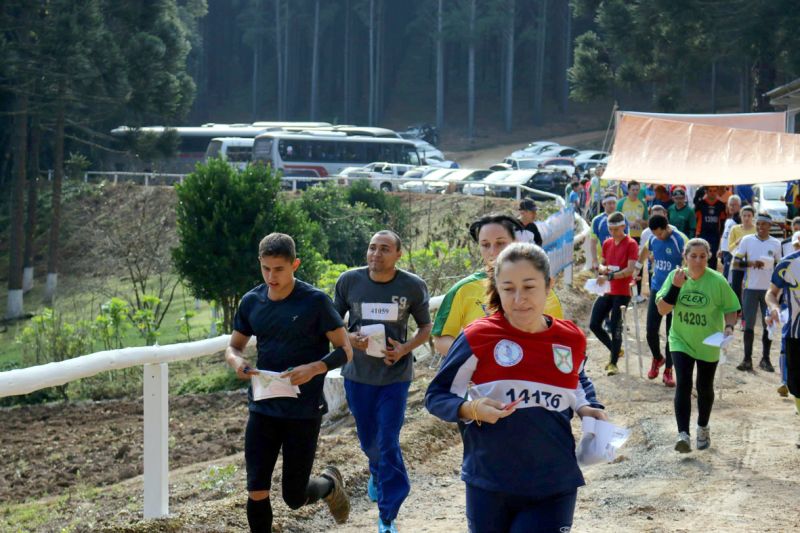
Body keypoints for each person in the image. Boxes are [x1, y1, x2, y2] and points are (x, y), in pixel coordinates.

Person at [425, 243, 608, 533]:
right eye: (508, 288)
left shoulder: (570, 338)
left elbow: (577, 379)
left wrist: (588, 407)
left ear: (548, 285)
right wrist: (471, 408)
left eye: (529, 286)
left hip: (554, 481)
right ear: (496, 288)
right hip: (489, 481)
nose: (519, 299)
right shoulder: (478, 336)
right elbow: (437, 395)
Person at [225, 233, 353, 533]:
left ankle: (330, 483)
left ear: (294, 264)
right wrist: (238, 363)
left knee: (294, 497)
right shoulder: (251, 301)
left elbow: (345, 350)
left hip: (303, 410)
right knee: (256, 488)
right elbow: (234, 347)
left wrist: (314, 368)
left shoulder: (316, 302)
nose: (271, 276)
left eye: (279, 269)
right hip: (263, 406)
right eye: (266, 268)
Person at [333, 231, 432, 533]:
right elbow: (333, 324)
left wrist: (404, 348)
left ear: (398, 254)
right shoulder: (349, 281)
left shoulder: (412, 286)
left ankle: (388, 514)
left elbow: (425, 327)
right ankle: (375, 470)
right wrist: (350, 339)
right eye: (372, 248)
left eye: (385, 249)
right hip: (357, 375)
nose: (376, 254)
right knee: (369, 440)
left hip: (395, 376)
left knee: (388, 441)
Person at [432, 214, 563, 357]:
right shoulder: (463, 290)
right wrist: (477, 362)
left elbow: (558, 337)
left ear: (515, 241)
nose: (493, 251)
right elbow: (441, 337)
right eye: (485, 245)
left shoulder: (540, 289)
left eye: (500, 243)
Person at [656, 238, 740, 452]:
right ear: (685, 257)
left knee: (704, 386)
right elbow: (662, 310)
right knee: (683, 383)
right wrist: (675, 287)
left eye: (702, 256)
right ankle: (682, 434)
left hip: (708, 341)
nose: (698, 260)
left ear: (708, 258)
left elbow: (731, 307)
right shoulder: (675, 277)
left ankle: (703, 426)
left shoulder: (717, 280)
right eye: (693, 256)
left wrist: (729, 327)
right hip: (680, 339)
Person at [638, 214, 687, 387]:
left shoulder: (679, 240)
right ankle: (658, 358)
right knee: (651, 330)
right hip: (657, 289)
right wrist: (637, 268)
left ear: (666, 227)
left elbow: (689, 261)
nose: (658, 237)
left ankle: (668, 370)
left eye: (660, 234)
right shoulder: (653, 239)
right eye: (655, 234)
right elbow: (644, 251)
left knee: (671, 333)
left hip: (675, 291)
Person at [589, 212, 639, 376]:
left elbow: (630, 269)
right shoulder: (607, 243)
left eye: (616, 229)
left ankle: (613, 363)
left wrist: (611, 275)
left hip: (623, 291)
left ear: (623, 227)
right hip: (608, 289)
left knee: (615, 326)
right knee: (594, 324)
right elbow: (604, 263)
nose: (612, 233)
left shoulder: (631, 244)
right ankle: (615, 349)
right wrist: (602, 270)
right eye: (610, 229)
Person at [734, 213, 782, 372]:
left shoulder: (776, 243)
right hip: (750, 288)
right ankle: (747, 359)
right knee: (748, 325)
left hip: (768, 290)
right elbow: (736, 263)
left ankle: (765, 359)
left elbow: (779, 266)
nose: (761, 227)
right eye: (759, 224)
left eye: (764, 224)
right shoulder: (747, 240)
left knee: (767, 324)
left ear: (770, 225)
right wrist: (751, 263)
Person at [766, 236, 800, 435]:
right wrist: (774, 308)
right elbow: (771, 293)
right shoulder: (787, 264)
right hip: (795, 333)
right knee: (796, 385)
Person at [590, 194, 629, 271]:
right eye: (609, 203)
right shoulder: (597, 220)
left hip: (620, 258)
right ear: (603, 204)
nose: (612, 206)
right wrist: (595, 260)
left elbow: (627, 239)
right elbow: (593, 242)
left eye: (614, 203)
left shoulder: (622, 218)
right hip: (603, 259)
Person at [728, 205, 756, 305]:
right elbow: (730, 248)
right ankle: (737, 308)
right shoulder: (734, 229)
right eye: (744, 215)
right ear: (741, 216)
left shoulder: (756, 230)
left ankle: (748, 306)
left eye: (749, 215)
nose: (747, 218)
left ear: (753, 217)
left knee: (749, 286)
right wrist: (737, 242)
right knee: (735, 286)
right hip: (737, 261)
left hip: (752, 262)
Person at [695, 186, 727, 270]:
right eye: (710, 191)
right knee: (701, 255)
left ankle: (712, 275)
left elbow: (723, 221)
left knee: (713, 257)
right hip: (703, 234)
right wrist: (697, 233)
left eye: (714, 191)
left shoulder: (721, 205)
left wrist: (721, 235)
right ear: (706, 192)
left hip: (715, 235)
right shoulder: (701, 204)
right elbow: (696, 219)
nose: (712, 193)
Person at [718, 195, 742, 281]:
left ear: (739, 206)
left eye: (735, 205)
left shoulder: (739, 219)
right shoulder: (729, 218)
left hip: (731, 251)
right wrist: (721, 249)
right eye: (730, 204)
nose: (732, 207)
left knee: (728, 276)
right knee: (726, 273)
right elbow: (725, 235)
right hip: (725, 250)